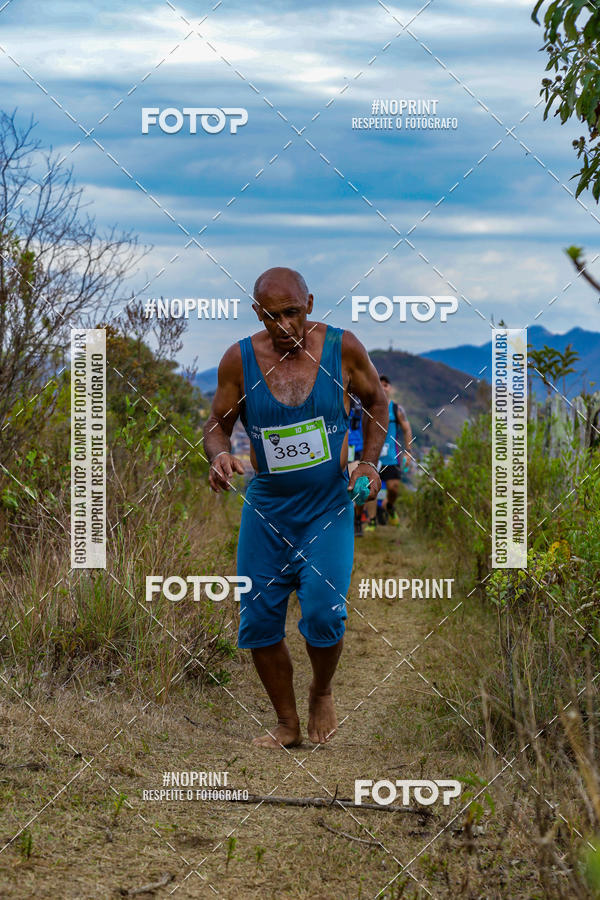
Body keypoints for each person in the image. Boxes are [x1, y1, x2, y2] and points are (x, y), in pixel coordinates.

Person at [203, 266, 388, 749]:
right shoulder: (239, 361)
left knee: (325, 614)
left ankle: (321, 691)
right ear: (256, 314)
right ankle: (286, 723)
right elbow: (215, 423)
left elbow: (376, 402)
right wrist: (220, 453)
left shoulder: (342, 348)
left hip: (327, 504)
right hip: (267, 509)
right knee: (258, 620)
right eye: (271, 317)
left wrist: (368, 464)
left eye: (292, 313)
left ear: (309, 303)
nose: (284, 326)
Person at [377, 374, 413, 526]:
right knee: (371, 490)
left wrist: (408, 451)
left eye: (386, 384)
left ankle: (389, 506)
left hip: (392, 456)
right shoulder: (370, 407)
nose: (383, 387)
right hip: (373, 456)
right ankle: (372, 519)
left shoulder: (397, 409)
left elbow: (407, 429)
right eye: (380, 384)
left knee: (394, 488)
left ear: (389, 388)